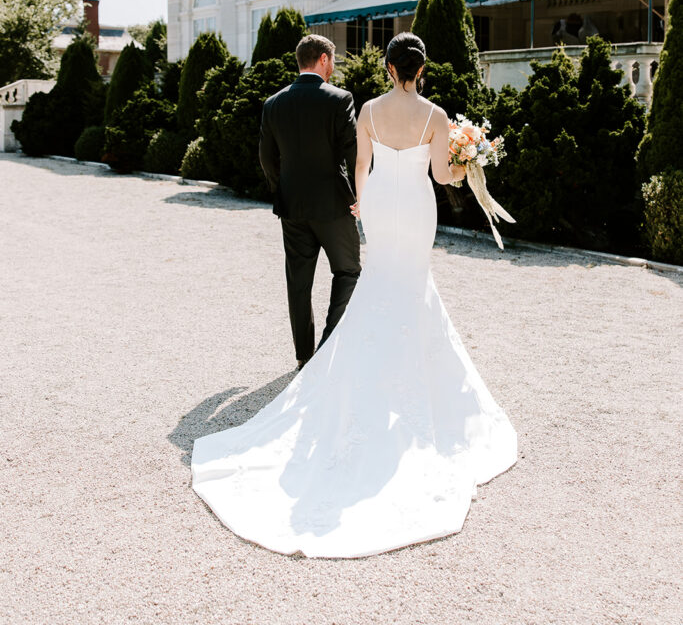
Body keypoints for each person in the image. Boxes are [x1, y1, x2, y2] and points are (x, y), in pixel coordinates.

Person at [192, 32, 517, 558]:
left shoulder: (365, 108)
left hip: (382, 206)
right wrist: (469, 160)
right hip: (416, 206)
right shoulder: (436, 115)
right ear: (422, 70)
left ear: (388, 68)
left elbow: (360, 168)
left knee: (376, 281)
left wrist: (363, 210)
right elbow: (441, 175)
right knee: (412, 283)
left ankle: (339, 360)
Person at [258, 34, 361, 370]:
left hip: (293, 207)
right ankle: (329, 347)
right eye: (333, 60)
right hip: (334, 205)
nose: (334, 67)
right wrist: (358, 195)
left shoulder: (273, 103)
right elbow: (352, 151)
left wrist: (283, 187)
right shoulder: (340, 98)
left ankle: (305, 356)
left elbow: (266, 158)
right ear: (322, 59)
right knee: (347, 271)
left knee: (298, 282)